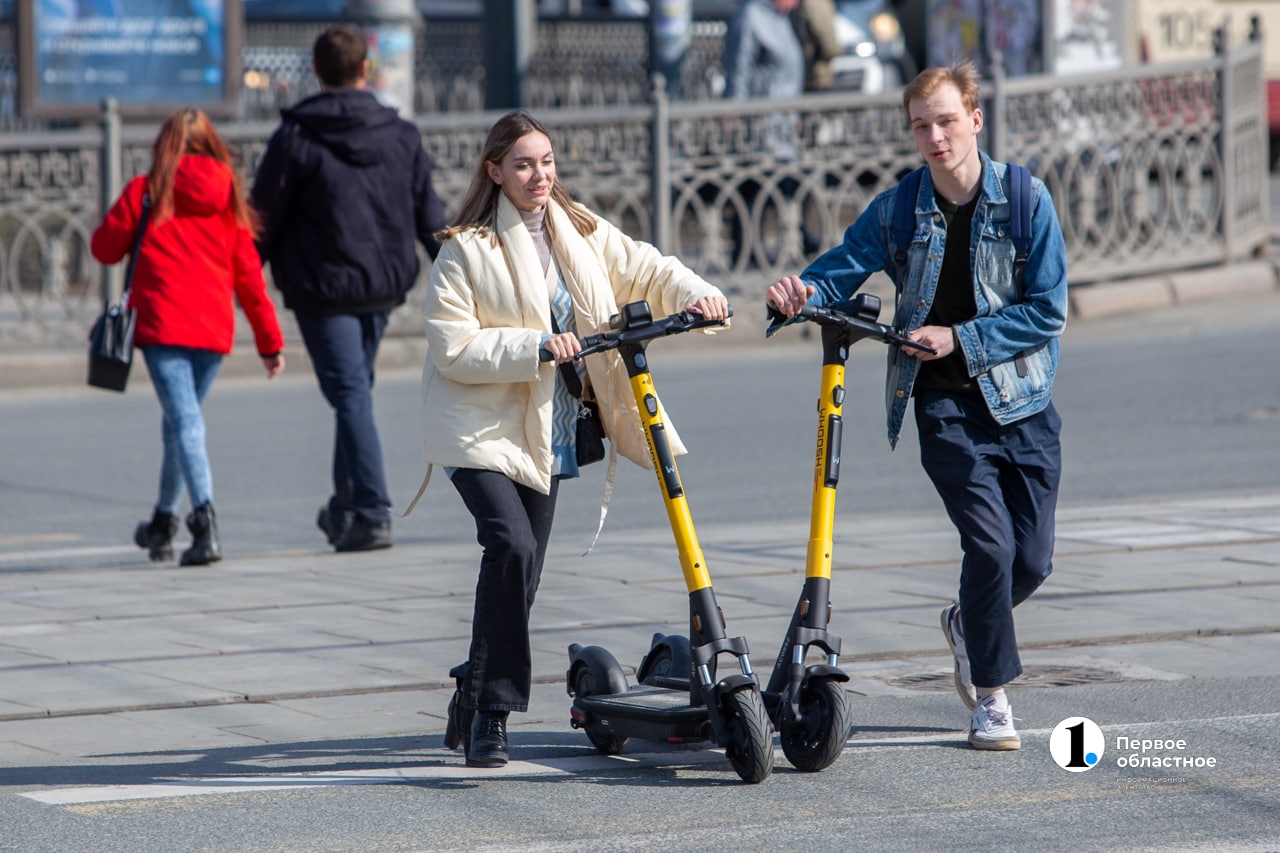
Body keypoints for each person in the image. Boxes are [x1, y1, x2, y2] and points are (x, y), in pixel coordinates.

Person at [765, 61, 1068, 751]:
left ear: (975, 119)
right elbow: (841, 266)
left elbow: (1048, 310)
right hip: (943, 406)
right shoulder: (900, 209)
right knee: (989, 547)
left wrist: (960, 335)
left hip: (1024, 403)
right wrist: (798, 294)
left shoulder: (1024, 199)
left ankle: (967, 624)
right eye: (921, 125)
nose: (935, 137)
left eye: (946, 121)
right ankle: (992, 699)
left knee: (1033, 561)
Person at [421, 110, 729, 768]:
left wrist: (703, 294)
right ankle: (491, 716)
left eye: (548, 161)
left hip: (547, 426)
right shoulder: (465, 247)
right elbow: (453, 348)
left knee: (522, 577)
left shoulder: (578, 228)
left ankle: (470, 690)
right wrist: (534, 345)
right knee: (509, 542)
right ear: (495, 171)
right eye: (525, 164)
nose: (540, 175)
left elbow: (645, 269)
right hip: (476, 428)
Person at [252, 24, 446, 553]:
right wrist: (457, 265)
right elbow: (429, 214)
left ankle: (372, 511)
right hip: (382, 285)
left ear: (315, 72)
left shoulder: (296, 137)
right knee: (353, 391)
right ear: (366, 71)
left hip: (322, 289)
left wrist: (239, 279)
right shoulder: (401, 134)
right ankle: (344, 507)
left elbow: (262, 219)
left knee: (351, 394)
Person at [92, 108, 286, 567]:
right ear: (213, 144)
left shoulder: (147, 192)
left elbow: (103, 248)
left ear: (166, 144)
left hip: (163, 329)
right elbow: (250, 280)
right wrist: (270, 343)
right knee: (179, 423)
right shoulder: (229, 201)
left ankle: (204, 524)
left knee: (185, 424)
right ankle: (162, 523)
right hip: (214, 332)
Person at [792, 0, 842, 92]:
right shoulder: (816, 2)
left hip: (804, 72)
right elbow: (829, 45)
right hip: (815, 74)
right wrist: (837, 51)